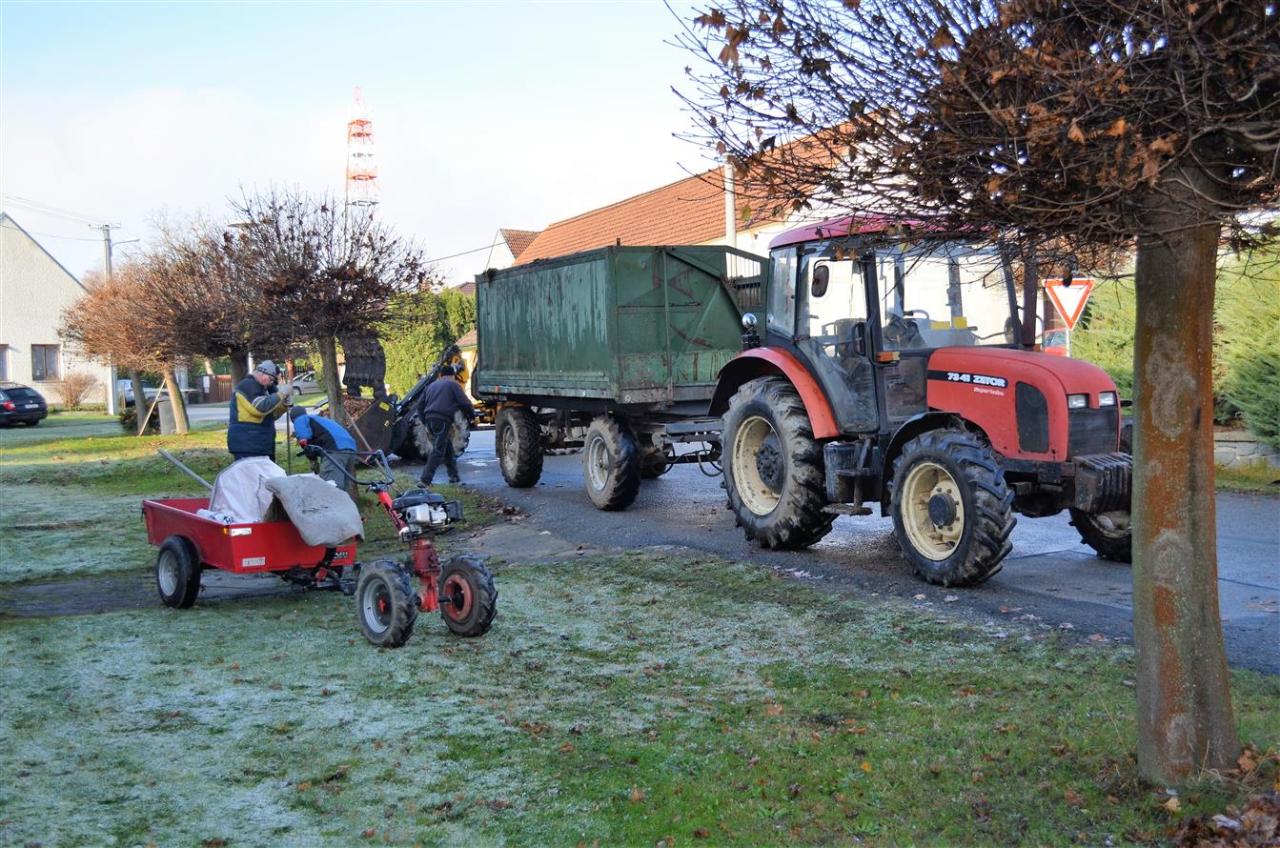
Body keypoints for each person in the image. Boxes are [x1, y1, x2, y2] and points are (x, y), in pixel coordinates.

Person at [417, 364, 475, 486]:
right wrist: (472, 416)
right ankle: (424, 480)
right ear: (452, 375)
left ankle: (454, 477)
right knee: (438, 451)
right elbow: (464, 403)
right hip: (442, 420)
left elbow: (420, 405)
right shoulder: (453, 385)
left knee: (448, 449)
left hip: (429, 420)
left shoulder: (430, 386)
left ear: (441, 375)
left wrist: (424, 421)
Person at [227, 360, 290, 460]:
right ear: (262, 373)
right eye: (271, 379)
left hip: (260, 444)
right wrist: (280, 394)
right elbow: (260, 408)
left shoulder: (262, 388)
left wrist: (284, 404)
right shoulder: (248, 386)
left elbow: (271, 414)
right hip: (247, 444)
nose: (271, 383)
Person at [290, 406, 359, 494]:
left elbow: (304, 439)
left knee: (331, 486)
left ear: (293, 419)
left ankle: (333, 503)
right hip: (351, 448)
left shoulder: (300, 419)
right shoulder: (319, 420)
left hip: (335, 450)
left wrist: (308, 453)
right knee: (345, 488)